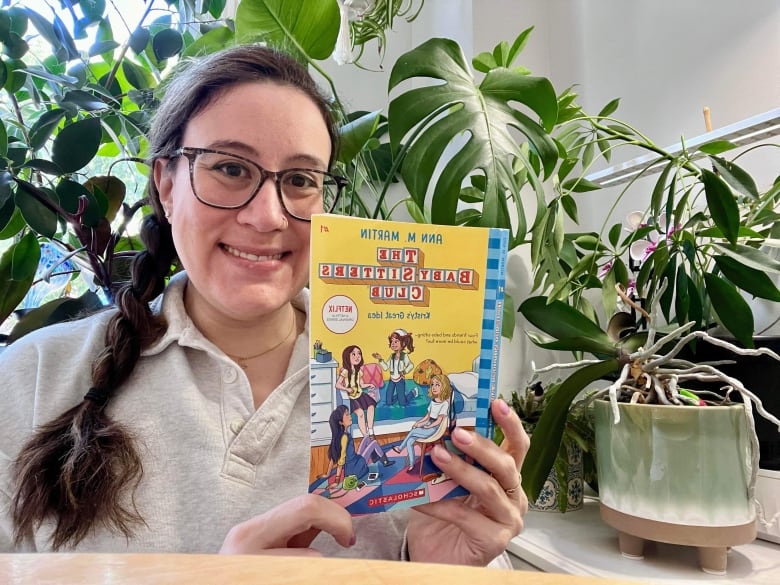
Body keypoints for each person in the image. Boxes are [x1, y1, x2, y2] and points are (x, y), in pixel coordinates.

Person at [0, 44, 530, 565]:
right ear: (165, 183)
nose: (268, 216)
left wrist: (427, 570)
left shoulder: (411, 398)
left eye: (300, 180)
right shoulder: (34, 378)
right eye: (230, 169)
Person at [319, 405, 394, 491]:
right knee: (374, 442)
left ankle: (377, 458)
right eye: (347, 415)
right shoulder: (344, 438)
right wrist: (337, 480)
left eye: (349, 414)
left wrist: (328, 474)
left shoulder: (341, 436)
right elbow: (341, 460)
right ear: (341, 422)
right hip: (355, 469)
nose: (350, 416)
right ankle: (384, 460)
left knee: (366, 437)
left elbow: (333, 455)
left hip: (354, 460)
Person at [392, 374, 452, 471]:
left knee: (413, 431)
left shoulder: (444, 404)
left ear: (444, 387)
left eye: (437, 385)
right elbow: (427, 416)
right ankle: (411, 464)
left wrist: (428, 427)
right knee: (410, 441)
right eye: (432, 384)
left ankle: (400, 448)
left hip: (434, 428)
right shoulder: (433, 401)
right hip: (428, 424)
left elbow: (438, 421)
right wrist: (419, 422)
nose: (434, 387)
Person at [335, 345, 377, 438]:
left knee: (371, 406)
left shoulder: (359, 371)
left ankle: (371, 431)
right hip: (352, 398)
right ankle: (365, 435)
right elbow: (337, 384)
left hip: (360, 395)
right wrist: (346, 389)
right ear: (347, 357)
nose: (357, 356)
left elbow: (361, 384)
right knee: (361, 413)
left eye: (359, 354)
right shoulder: (345, 371)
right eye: (353, 354)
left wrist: (369, 384)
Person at [372, 328, 416, 407]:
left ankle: (412, 393)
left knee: (403, 403)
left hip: (400, 380)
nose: (393, 344)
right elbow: (385, 367)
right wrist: (380, 359)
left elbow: (411, 365)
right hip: (392, 380)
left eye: (396, 341)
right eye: (392, 342)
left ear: (403, 343)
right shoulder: (392, 356)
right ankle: (400, 396)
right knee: (389, 402)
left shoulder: (404, 356)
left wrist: (404, 372)